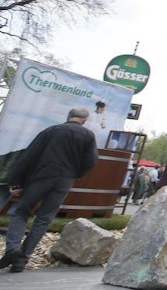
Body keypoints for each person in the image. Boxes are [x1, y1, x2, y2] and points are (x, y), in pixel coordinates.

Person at [1, 108, 98, 273]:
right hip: (65, 180)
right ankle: (21, 261)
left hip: (41, 176)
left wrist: (17, 181)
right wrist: (75, 174)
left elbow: (29, 156)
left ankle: (13, 247)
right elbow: (91, 160)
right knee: (44, 219)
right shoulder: (88, 136)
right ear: (84, 120)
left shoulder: (51, 131)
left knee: (22, 212)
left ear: (68, 117)